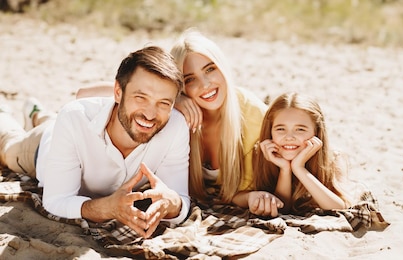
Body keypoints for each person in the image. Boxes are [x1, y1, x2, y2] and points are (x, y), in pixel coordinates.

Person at [76, 29, 284, 217]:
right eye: (190, 79)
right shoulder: (171, 111)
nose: (205, 85)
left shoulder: (254, 114)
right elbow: (84, 94)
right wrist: (175, 99)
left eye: (210, 69)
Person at [0, 46, 191, 238]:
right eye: (141, 98)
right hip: (42, 147)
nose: (150, 114)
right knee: (8, 145)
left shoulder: (175, 127)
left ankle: (37, 114)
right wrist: (107, 208)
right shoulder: (74, 118)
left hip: (63, 130)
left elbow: (179, 198)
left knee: (51, 121)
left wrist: (171, 203)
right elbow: (56, 201)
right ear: (117, 92)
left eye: (163, 103)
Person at [253, 92, 351, 214]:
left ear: (316, 132)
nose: (289, 137)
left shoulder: (334, 158)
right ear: (270, 131)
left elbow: (338, 207)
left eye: (300, 129)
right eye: (280, 129)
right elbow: (281, 209)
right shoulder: (259, 154)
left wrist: (299, 168)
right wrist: (285, 169)